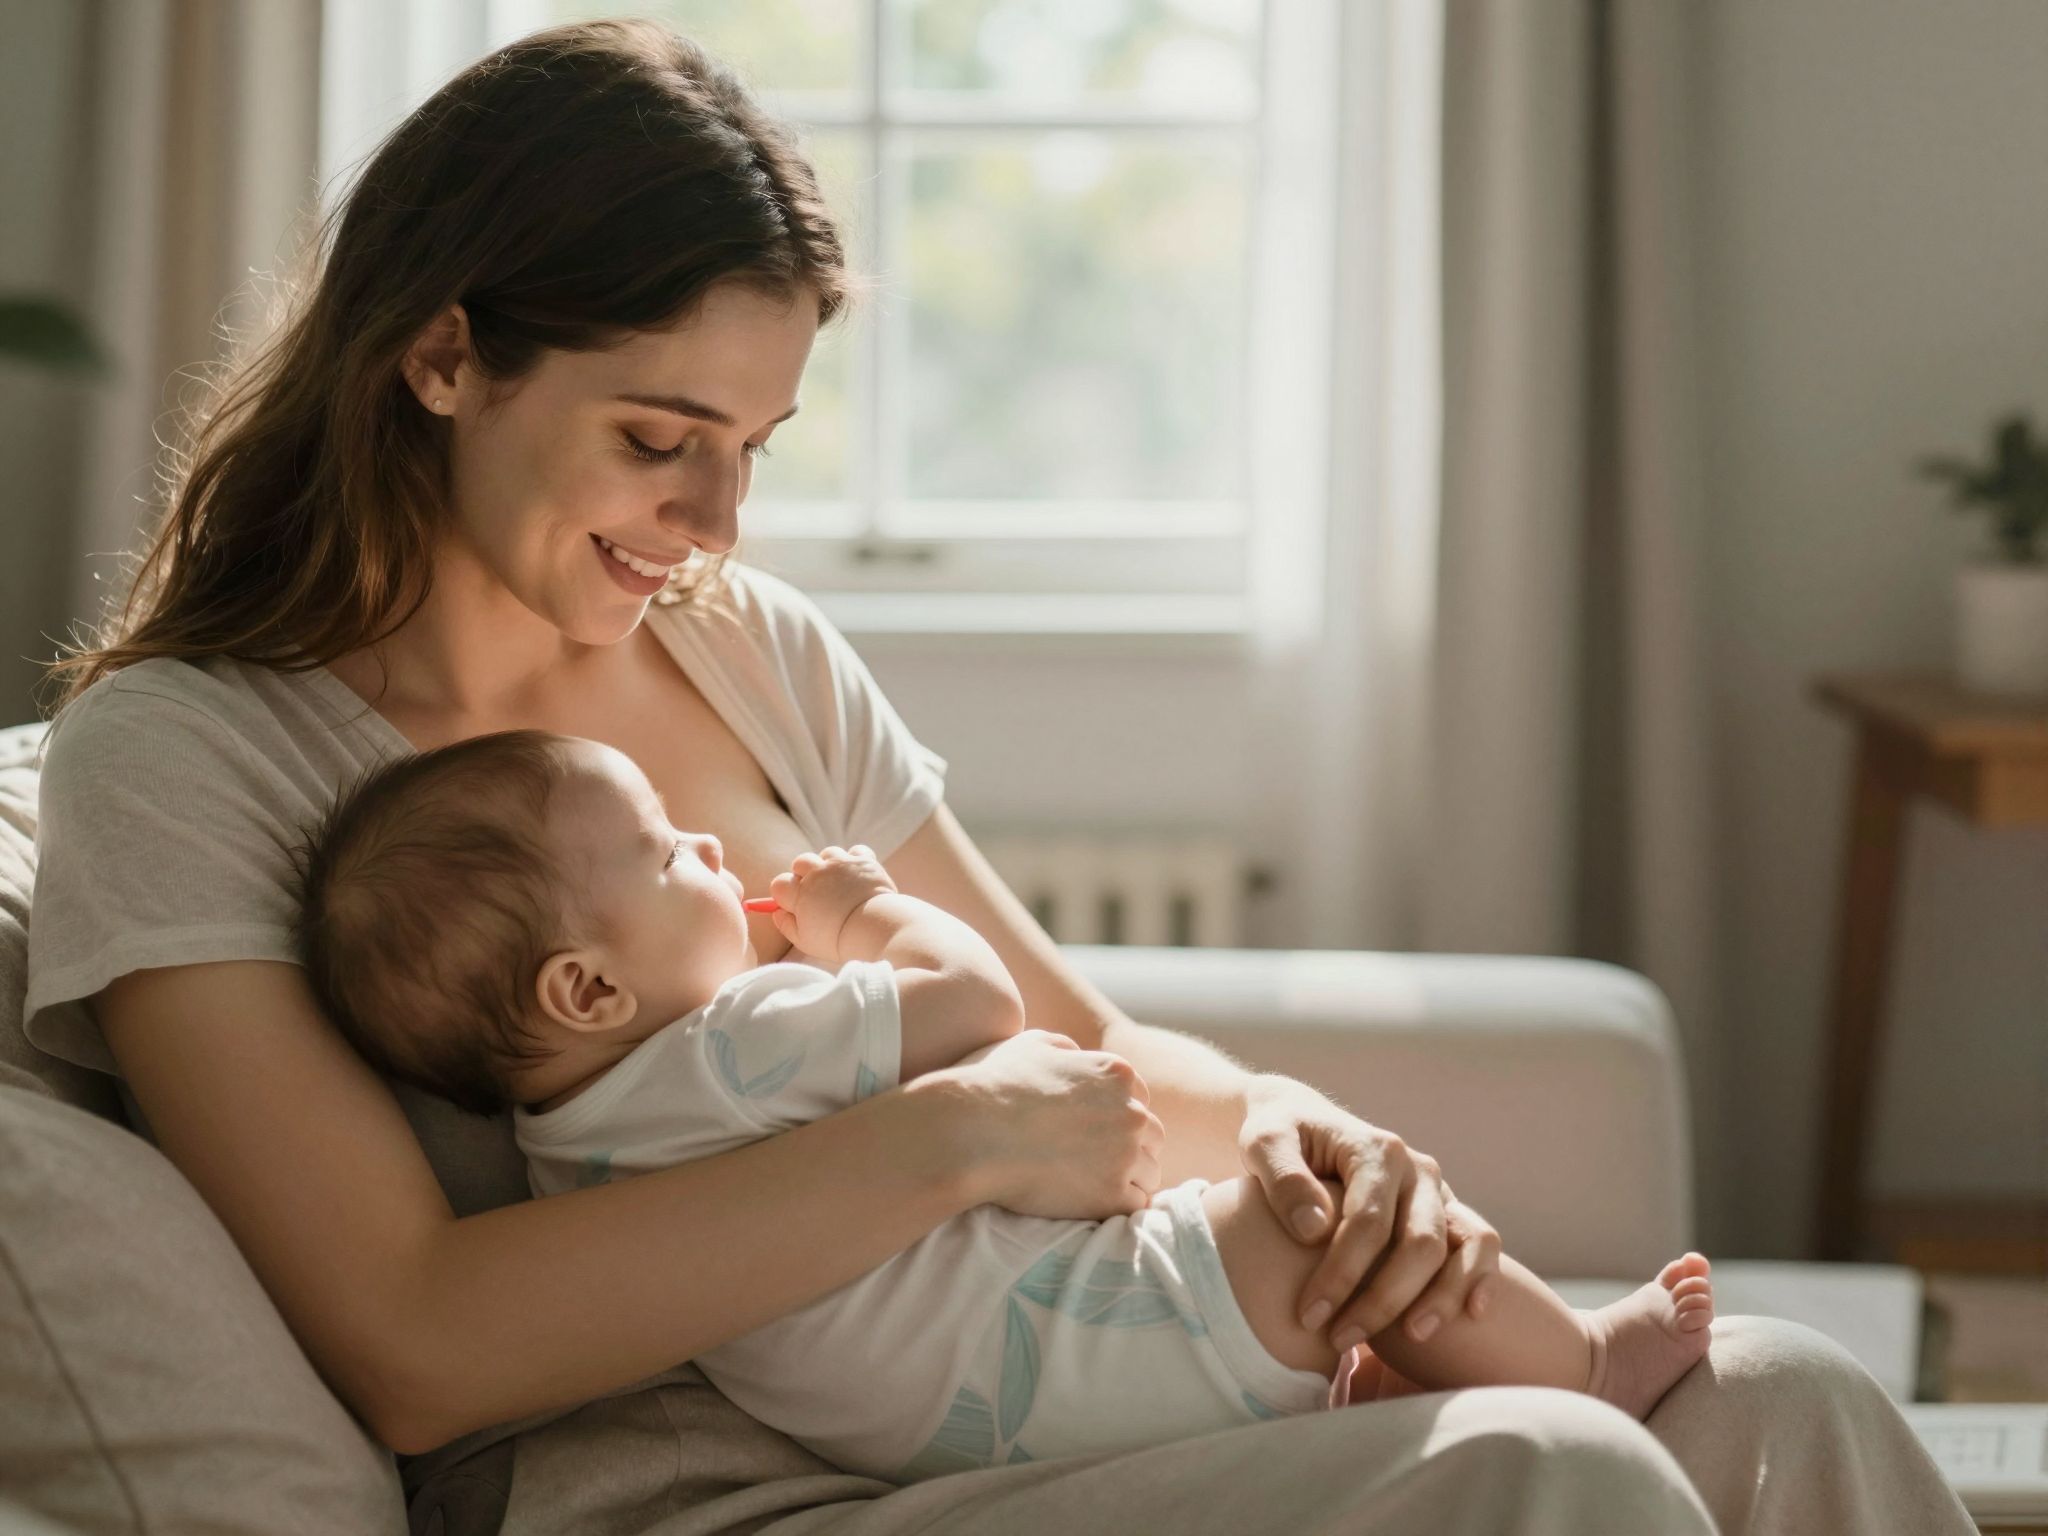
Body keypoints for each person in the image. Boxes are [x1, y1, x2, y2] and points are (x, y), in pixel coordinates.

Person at [21, 18, 1973, 1535]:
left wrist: (1319, 1143)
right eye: (656, 437)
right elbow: (416, 1348)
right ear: (442, 357)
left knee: (1788, 1398)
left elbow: (1085, 1052)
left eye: (756, 446)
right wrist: (950, 1144)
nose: (710, 517)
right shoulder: (191, 758)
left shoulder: (746, 649)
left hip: (1062, 1383)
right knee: (1560, 1481)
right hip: (706, 1488)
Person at [292, 727, 1720, 1482]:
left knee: (1324, 1280)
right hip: (1087, 1335)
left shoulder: (568, 1154)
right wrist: (866, 922)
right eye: (670, 857)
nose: (715, 850)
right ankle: (1585, 1362)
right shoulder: (738, 1043)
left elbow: (1094, 1044)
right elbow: (982, 1007)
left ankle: (1386, 1377)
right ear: (588, 992)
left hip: (961, 1421)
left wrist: (1270, 1096)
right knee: (1325, 1240)